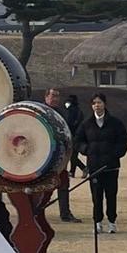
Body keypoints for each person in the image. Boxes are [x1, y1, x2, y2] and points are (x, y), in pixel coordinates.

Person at [73, 94, 127, 233]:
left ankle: (112, 221)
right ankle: (97, 222)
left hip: (111, 167)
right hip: (94, 166)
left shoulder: (115, 123)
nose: (97, 105)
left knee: (111, 195)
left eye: (99, 102)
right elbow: (78, 141)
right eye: (94, 103)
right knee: (96, 196)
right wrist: (87, 150)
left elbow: (123, 142)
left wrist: (114, 154)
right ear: (91, 106)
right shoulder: (86, 124)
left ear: (104, 104)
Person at [43, 88, 82, 223]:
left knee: (63, 183)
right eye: (53, 96)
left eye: (57, 96)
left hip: (59, 156)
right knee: (44, 187)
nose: (55, 99)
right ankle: (37, 212)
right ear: (46, 97)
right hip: (42, 158)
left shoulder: (61, 114)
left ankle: (65, 213)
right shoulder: (40, 112)